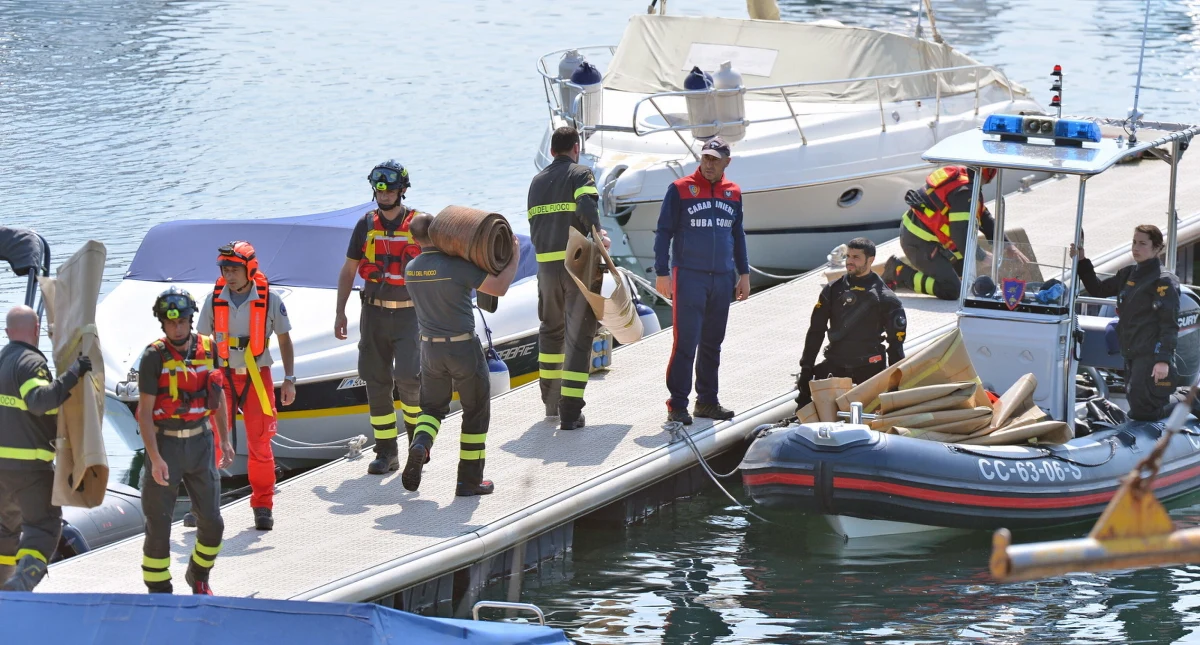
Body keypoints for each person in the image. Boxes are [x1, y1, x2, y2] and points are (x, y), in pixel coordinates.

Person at [402, 213, 520, 496]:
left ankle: (421, 444)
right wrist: (513, 254)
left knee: (431, 409)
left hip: (429, 349)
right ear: (441, 233)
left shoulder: (411, 269)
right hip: (462, 347)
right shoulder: (455, 266)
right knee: (475, 411)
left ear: (414, 240)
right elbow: (498, 287)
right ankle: (468, 482)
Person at [137, 287, 232, 594]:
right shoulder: (153, 357)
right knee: (159, 526)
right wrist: (155, 459)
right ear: (162, 323)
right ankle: (159, 590)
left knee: (213, 523)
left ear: (191, 320)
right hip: (165, 447)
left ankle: (199, 575)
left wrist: (226, 441)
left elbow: (218, 397)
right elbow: (145, 414)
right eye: (170, 322)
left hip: (200, 443)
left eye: (182, 321)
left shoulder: (209, 347)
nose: (176, 327)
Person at [335, 160, 426, 475]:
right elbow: (349, 270)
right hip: (373, 313)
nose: (383, 191)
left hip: (409, 317)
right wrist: (340, 312)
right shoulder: (365, 225)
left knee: (410, 381)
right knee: (376, 382)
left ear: (402, 189)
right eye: (378, 185)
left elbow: (439, 269)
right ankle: (386, 452)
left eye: (389, 186)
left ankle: (418, 447)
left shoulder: (420, 224)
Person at [196, 241, 295, 531]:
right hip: (222, 377)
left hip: (257, 377)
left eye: (234, 269)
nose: (229, 274)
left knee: (260, 444)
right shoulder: (213, 299)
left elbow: (284, 341)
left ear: (250, 268)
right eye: (225, 269)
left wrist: (290, 379)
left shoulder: (271, 299)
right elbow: (203, 342)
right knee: (212, 442)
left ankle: (263, 506)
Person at [653, 136, 751, 425]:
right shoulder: (680, 189)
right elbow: (663, 233)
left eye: (715, 159)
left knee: (712, 342)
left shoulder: (733, 192)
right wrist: (662, 273)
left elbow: (738, 234)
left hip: (722, 278)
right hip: (689, 276)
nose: (709, 164)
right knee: (686, 341)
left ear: (726, 163)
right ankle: (678, 405)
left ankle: (707, 401)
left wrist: (743, 274)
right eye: (705, 157)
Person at [0, 305, 91, 591]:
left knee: (5, 531)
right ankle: (20, 586)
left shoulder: (2, 360)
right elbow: (39, 401)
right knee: (44, 528)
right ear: (38, 330)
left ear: (7, 332)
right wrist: (73, 374)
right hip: (30, 469)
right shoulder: (29, 363)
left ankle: (3, 591)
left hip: (2, 471)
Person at [527, 125, 611, 430]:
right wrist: (599, 234)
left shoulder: (536, 181)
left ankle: (550, 404)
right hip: (575, 265)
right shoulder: (581, 173)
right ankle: (571, 412)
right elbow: (588, 206)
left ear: (551, 152)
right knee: (579, 336)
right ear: (576, 148)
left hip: (545, 270)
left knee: (551, 331)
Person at [1071, 225, 1180, 421]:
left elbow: (1169, 324)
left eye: (1143, 244)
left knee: (1144, 408)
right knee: (1134, 399)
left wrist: (1163, 360)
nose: (1136, 248)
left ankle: (1186, 399)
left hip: (1149, 352)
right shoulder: (1128, 274)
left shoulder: (1164, 281)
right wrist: (1081, 260)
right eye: (1134, 242)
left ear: (1157, 248)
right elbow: (1097, 289)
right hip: (1130, 349)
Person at [795, 238, 907, 409]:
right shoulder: (832, 290)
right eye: (848, 256)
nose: (849, 261)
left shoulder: (885, 298)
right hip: (836, 364)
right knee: (806, 404)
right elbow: (816, 331)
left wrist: (894, 386)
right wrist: (806, 368)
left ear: (870, 260)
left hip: (869, 368)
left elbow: (895, 346)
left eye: (856, 257)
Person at [884, 166, 1022, 300]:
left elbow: (985, 218)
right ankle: (899, 273)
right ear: (991, 173)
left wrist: (1008, 245)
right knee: (952, 289)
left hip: (925, 238)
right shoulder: (965, 192)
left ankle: (938, 271)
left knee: (964, 269)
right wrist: (981, 255)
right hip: (919, 241)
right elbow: (960, 234)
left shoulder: (966, 181)